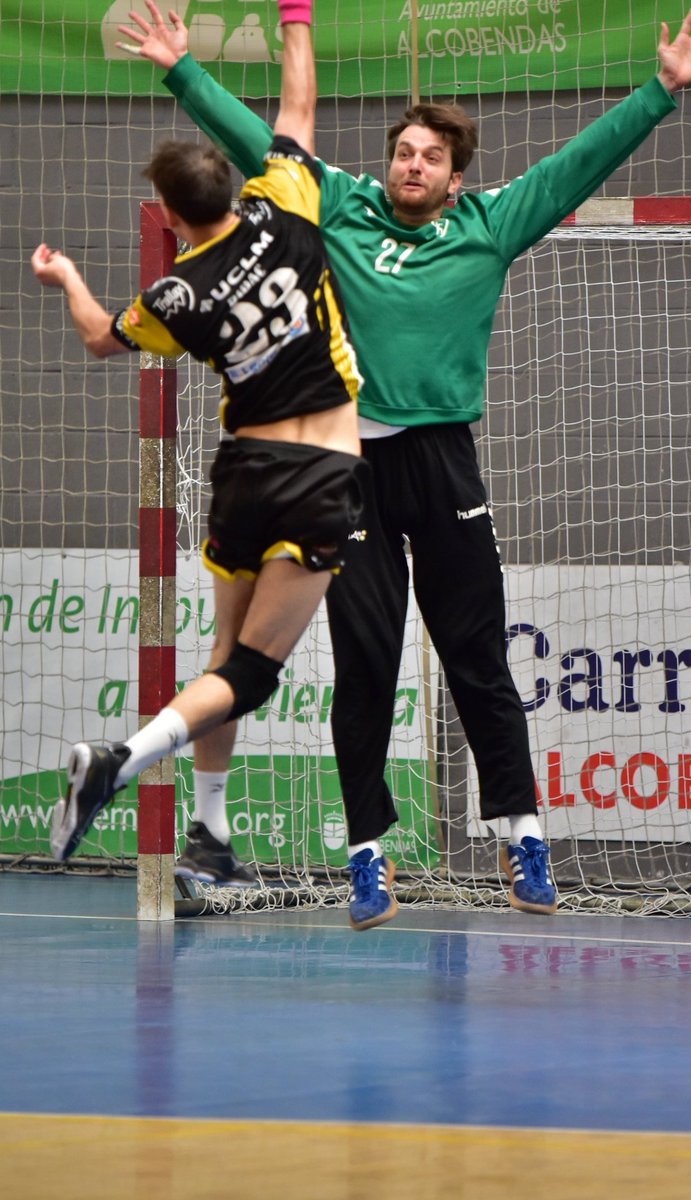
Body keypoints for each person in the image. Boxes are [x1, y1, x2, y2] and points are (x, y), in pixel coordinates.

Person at [119, 3, 691, 927]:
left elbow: (577, 163)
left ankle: (522, 834)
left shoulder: (490, 225)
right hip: (350, 469)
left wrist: (660, 90)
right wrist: (181, 70)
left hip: (444, 463)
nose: (412, 164)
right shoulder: (339, 206)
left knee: (476, 656)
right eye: (403, 152)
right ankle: (368, 855)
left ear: (454, 178)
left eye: (430, 157)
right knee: (366, 663)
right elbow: (258, 140)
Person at [33, 2, 368, 896]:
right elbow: (298, 109)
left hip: (243, 474)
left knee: (225, 656)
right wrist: (296, 16)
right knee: (252, 673)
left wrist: (67, 276)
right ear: (230, 186)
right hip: (322, 472)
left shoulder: (174, 296)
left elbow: (99, 337)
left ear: (174, 218)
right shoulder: (285, 202)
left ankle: (211, 837)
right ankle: (118, 761)